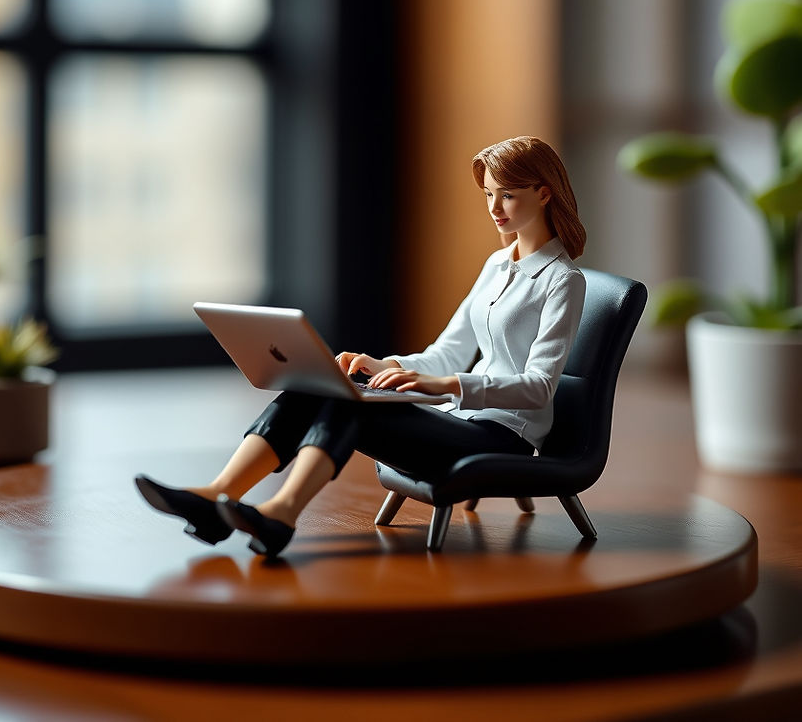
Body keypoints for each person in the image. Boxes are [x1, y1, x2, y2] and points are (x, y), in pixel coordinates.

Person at [135, 135, 587, 558]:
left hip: (501, 437)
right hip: (458, 419)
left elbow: (538, 388)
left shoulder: (562, 281)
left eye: (507, 195)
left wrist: (446, 385)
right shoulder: (497, 264)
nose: (494, 208)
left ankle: (282, 513)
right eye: (488, 194)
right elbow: (447, 351)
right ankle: (217, 497)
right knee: (323, 387)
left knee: (349, 405)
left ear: (544, 194)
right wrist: (383, 364)